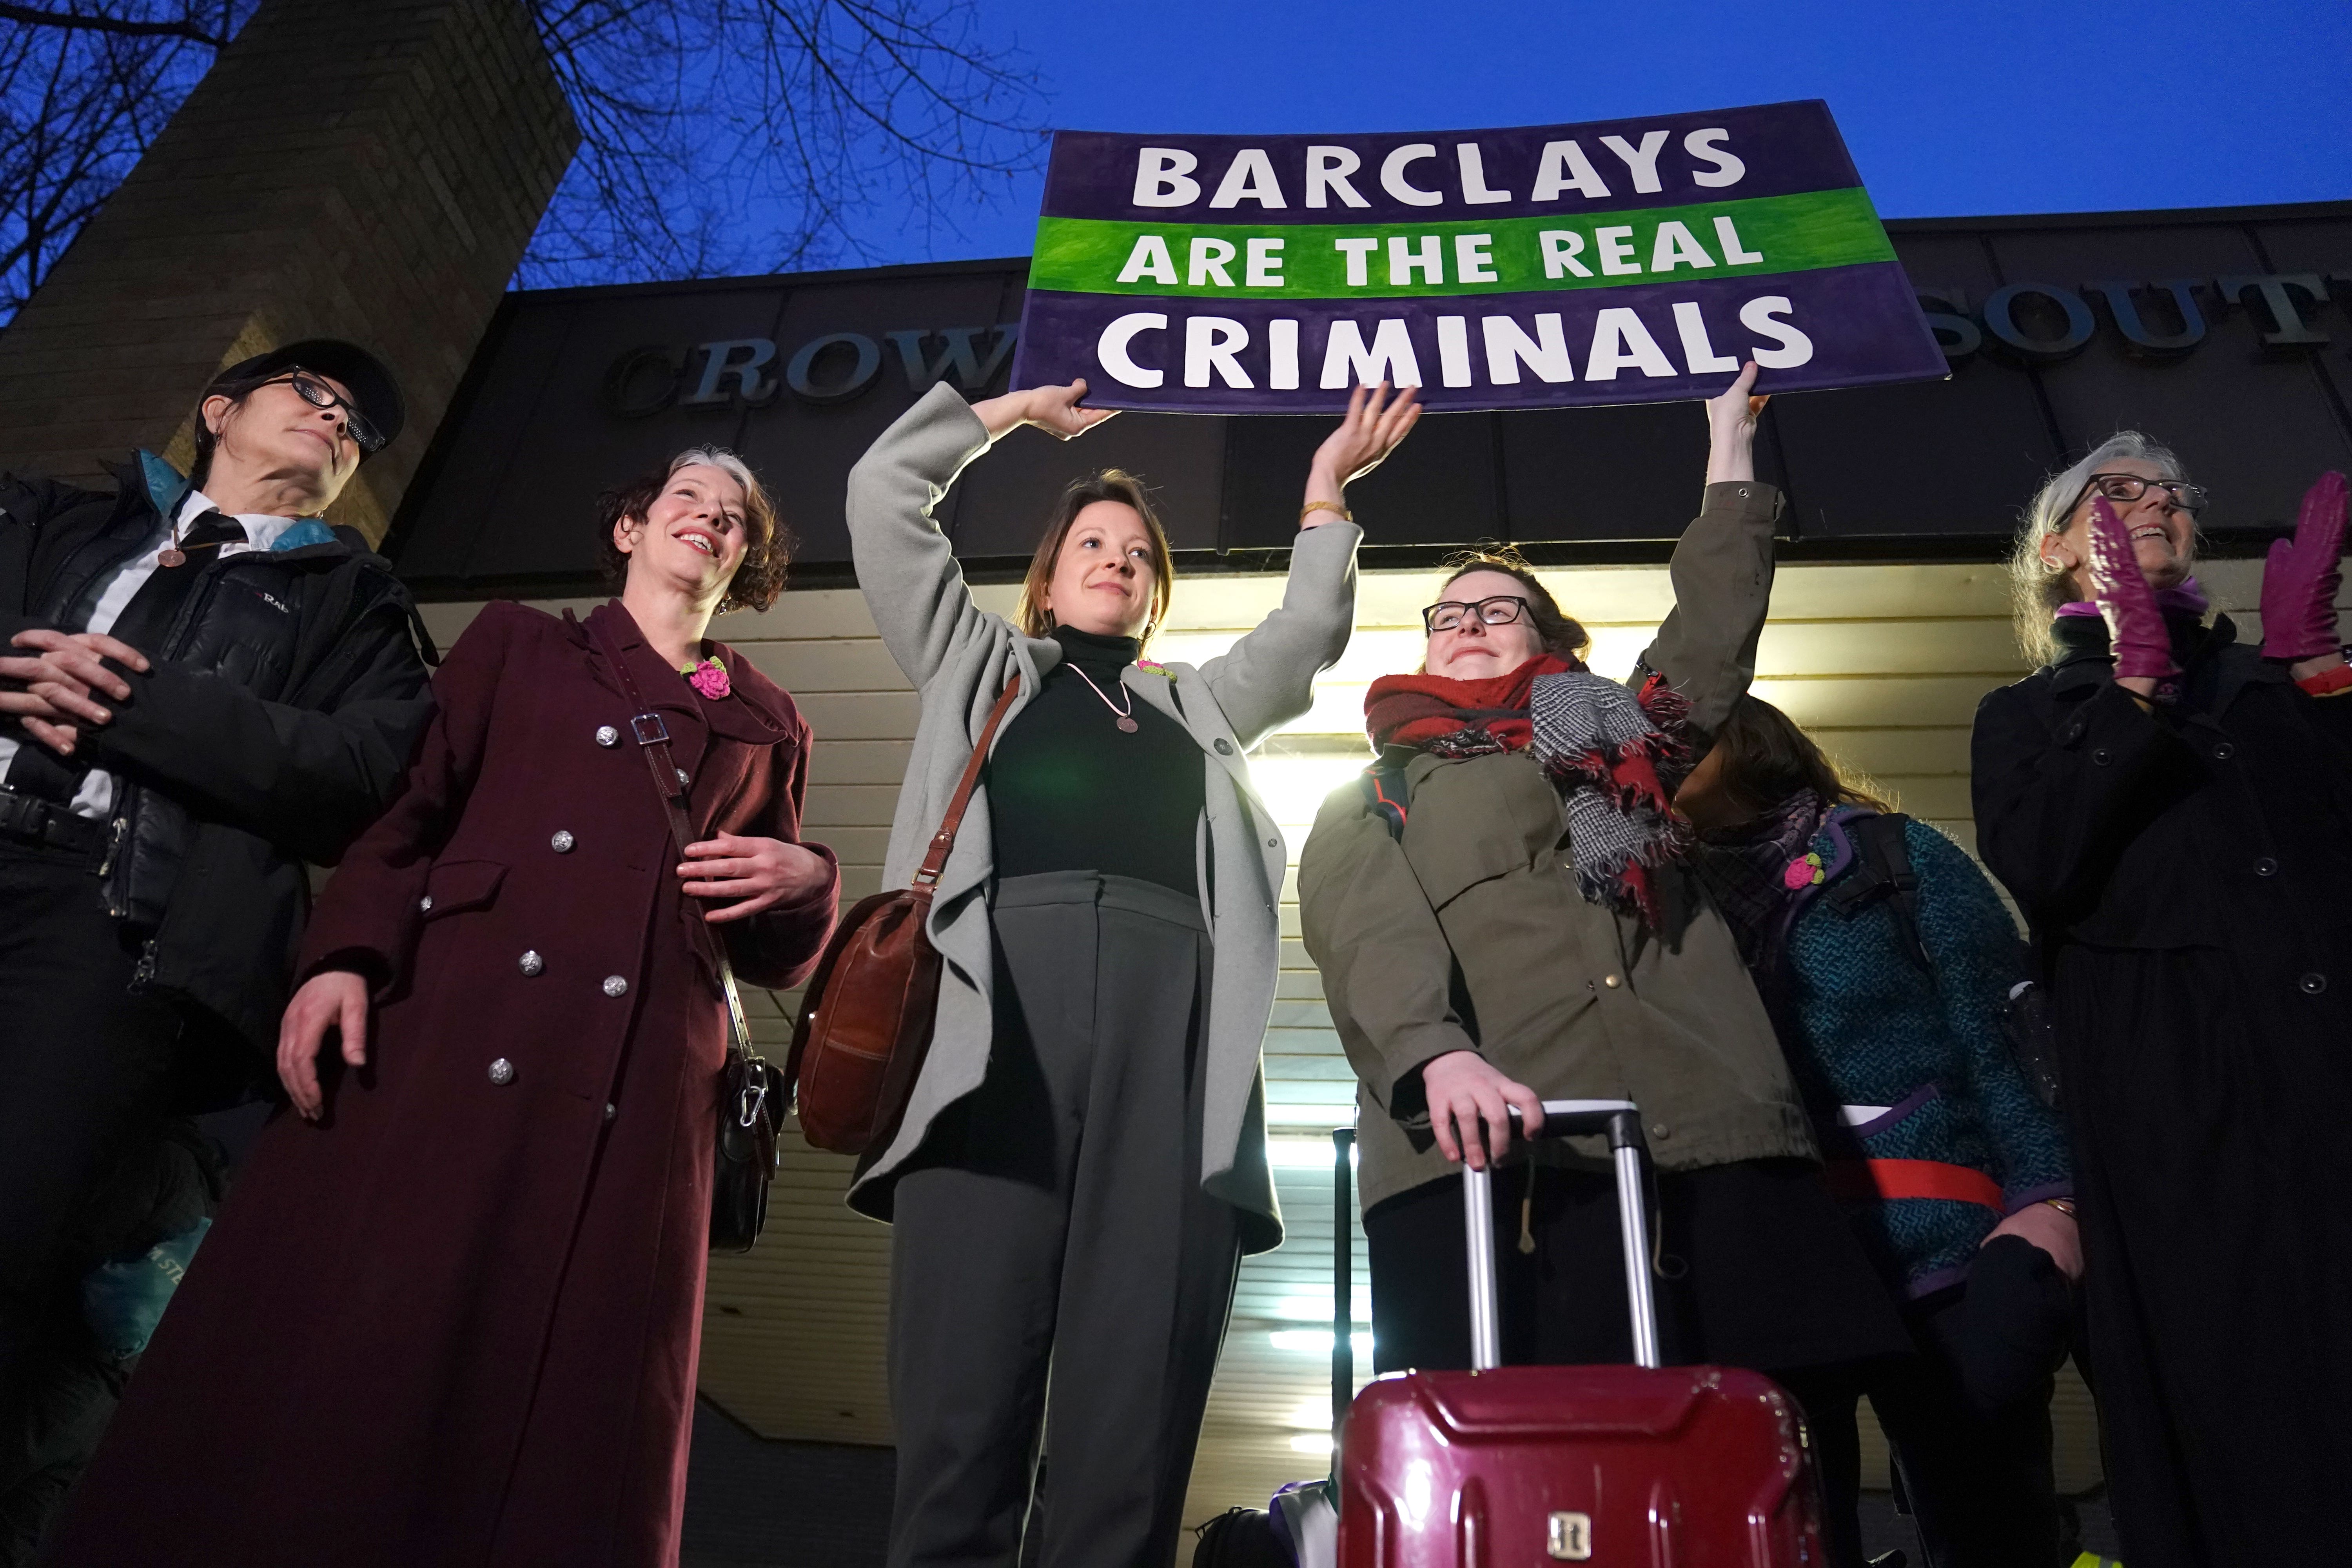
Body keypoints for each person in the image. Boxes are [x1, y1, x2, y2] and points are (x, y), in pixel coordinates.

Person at [38, 447, 841, 1567]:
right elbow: (413, 813)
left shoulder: (765, 719)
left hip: (640, 1073)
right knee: (354, 1332)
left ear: (747, 560)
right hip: (456, 1022)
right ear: (630, 527)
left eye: (736, 516)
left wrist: (814, 885)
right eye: (685, 499)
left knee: (565, 1389)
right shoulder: (520, 645)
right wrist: (343, 957)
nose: (710, 519)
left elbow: (769, 946)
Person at [1299, 362, 1911, 1568]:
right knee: (1546, 1484)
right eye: (1447, 613)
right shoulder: (1376, 790)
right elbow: (1372, 941)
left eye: (1498, 609)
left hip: (1710, 1134)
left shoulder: (1626, 733)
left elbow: (1713, 629)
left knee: (1766, 1464)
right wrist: (1436, 1056)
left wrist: (1727, 450)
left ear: (1556, 639)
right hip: (1515, 1163)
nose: (1467, 626)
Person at [845, 374, 1418, 1568]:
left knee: (1130, 1442)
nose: (1117, 561)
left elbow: (1307, 632)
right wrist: (1004, 419)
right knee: (961, 1421)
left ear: (1157, 591)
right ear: (1047, 578)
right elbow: (884, 491)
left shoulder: (1196, 707)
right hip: (988, 1044)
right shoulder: (980, 665)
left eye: (1139, 553)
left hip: (1177, 1051)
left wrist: (1325, 493)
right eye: (1091, 544)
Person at [0, 341, 432, 1519]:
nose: (337, 422)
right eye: (313, 396)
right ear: (218, 410)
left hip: (109, 928)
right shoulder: (51, 519)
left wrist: (140, 705)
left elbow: (360, 770)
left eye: (355, 427)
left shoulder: (355, 606)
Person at [1971, 436, 2352, 1566]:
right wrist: (2132, 689)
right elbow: (2042, 857)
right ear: (2056, 549)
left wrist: (2318, 677)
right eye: (2117, 489)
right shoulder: (2031, 715)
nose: (2156, 502)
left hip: (2327, 1067)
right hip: (2179, 1107)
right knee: (2244, 1390)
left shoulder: (2275, 688)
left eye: (2173, 493)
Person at [1679, 694, 2079, 1566]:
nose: (1657, 753)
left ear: (1750, 740)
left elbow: (2001, 1028)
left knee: (1992, 1524)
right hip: (1785, 1270)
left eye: (1685, 736)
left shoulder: (1897, 858)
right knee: (1790, 1533)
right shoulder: (1666, 900)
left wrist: (2049, 1198)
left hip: (1950, 1254)